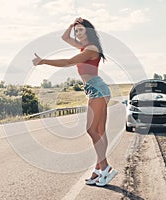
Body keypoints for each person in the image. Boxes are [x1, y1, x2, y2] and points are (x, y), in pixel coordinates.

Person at [32, 17, 117, 186]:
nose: (77, 34)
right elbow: (65, 38)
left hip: (98, 89)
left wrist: (43, 61)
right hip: (94, 90)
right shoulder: (84, 47)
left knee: (91, 130)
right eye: (76, 31)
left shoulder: (91, 49)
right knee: (99, 132)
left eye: (81, 30)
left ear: (89, 32)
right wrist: (72, 25)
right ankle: (98, 170)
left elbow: (69, 62)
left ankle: (106, 168)